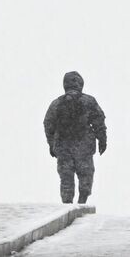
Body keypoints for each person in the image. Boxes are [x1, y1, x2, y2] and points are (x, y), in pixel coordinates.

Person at [43, 71, 107, 204]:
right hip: (84, 146)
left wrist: (51, 144)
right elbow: (99, 121)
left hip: (63, 146)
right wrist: (102, 140)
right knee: (86, 175)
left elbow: (48, 124)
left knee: (66, 179)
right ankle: (82, 201)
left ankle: (67, 205)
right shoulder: (89, 101)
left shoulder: (56, 103)